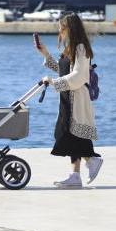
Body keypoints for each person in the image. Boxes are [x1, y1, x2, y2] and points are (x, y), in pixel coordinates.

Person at [35, 13, 101, 188]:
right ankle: (76, 175)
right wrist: (45, 54)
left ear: (70, 28)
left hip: (76, 98)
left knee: (68, 135)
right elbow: (62, 70)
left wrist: (53, 82)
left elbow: (79, 76)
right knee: (72, 135)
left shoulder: (81, 49)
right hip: (67, 98)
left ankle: (91, 160)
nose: (59, 30)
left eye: (61, 27)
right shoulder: (70, 48)